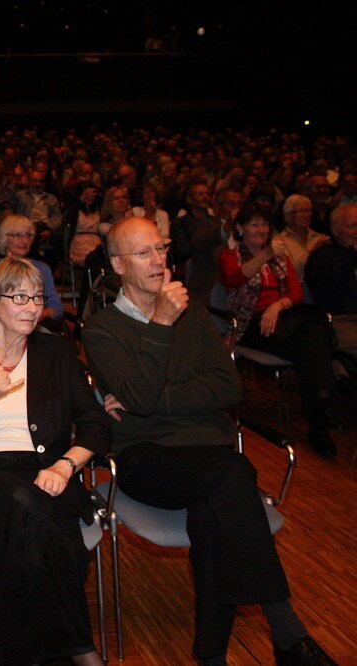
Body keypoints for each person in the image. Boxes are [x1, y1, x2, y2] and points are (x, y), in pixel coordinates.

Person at [83, 217, 336, 666]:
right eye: (144, 253)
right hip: (146, 459)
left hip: (209, 456)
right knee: (233, 474)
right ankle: (287, 631)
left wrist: (155, 397)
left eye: (160, 248)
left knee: (213, 512)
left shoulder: (194, 314)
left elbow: (226, 388)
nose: (159, 259)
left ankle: (211, 656)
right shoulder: (102, 329)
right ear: (119, 265)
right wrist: (160, 326)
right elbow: (141, 400)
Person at [0, 257, 109, 665]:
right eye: (20, 297)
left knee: (25, 528)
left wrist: (66, 465)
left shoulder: (56, 351)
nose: (32, 307)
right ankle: (82, 650)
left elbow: (96, 426)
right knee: (34, 513)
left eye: (38, 298)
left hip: (47, 472)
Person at [218, 207, 339, 457]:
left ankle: (318, 419)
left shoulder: (281, 259)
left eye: (264, 225)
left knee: (311, 340)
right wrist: (265, 255)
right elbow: (234, 279)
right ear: (240, 229)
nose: (261, 230)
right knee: (314, 337)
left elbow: (295, 293)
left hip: (281, 320)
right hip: (249, 323)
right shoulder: (230, 255)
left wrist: (275, 306)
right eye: (254, 225)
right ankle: (321, 409)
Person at [0, 215, 64, 321]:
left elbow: (57, 307)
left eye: (28, 235)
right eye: (17, 235)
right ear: (4, 238)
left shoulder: (42, 268)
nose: (24, 241)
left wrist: (43, 313)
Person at [305, 204, 357, 358]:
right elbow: (333, 291)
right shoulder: (323, 256)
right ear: (335, 230)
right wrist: (353, 253)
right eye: (353, 226)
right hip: (340, 320)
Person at [275, 194, 329, 286]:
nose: (306, 215)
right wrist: (313, 250)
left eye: (308, 211)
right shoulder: (279, 241)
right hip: (296, 288)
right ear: (288, 216)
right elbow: (288, 271)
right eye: (301, 211)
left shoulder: (319, 238)